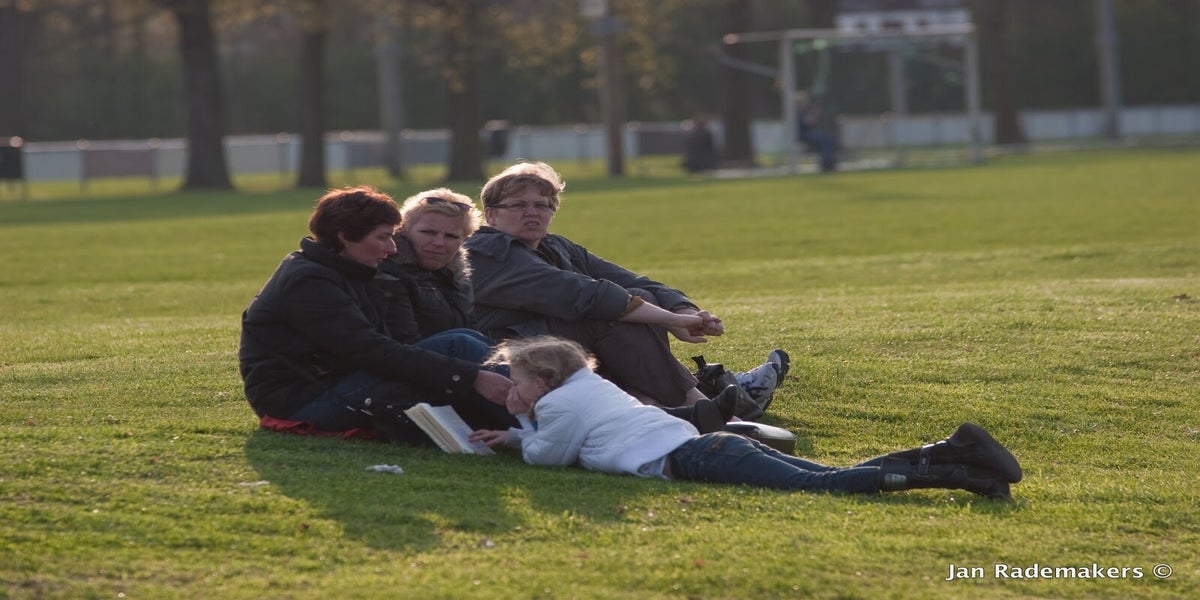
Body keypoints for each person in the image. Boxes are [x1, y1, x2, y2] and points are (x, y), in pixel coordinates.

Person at [469, 336, 1023, 499]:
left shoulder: (555, 405)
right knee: (831, 475)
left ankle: (956, 472)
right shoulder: (590, 387)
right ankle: (954, 453)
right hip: (711, 444)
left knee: (823, 485)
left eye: (518, 379)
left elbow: (549, 457)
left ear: (544, 380)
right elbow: (568, 437)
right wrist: (518, 429)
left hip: (698, 457)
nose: (513, 388)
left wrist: (524, 422)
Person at [464, 160, 785, 415]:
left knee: (638, 299)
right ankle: (702, 404)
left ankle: (676, 405)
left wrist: (682, 308)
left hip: (567, 353)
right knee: (609, 314)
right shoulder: (487, 251)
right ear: (491, 215)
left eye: (542, 204)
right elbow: (582, 294)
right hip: (512, 360)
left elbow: (631, 281)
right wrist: (672, 321)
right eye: (518, 205)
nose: (532, 212)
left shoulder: (555, 245)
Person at [239, 185, 516, 443]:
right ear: (345, 236)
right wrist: (470, 376)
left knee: (463, 337)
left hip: (333, 384)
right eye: (383, 237)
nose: (392, 248)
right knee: (458, 345)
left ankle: (532, 417)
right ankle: (535, 422)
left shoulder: (346, 270)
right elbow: (368, 350)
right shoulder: (308, 280)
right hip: (303, 402)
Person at [794, 91, 838, 173]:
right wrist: (815, 114)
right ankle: (826, 164)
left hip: (809, 134)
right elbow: (808, 122)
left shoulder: (802, 112)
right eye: (804, 102)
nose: (806, 104)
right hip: (804, 135)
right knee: (826, 140)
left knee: (828, 139)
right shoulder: (796, 113)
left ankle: (829, 163)